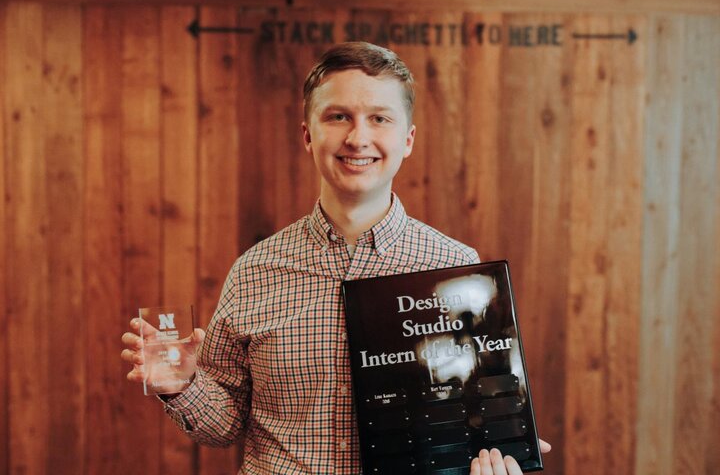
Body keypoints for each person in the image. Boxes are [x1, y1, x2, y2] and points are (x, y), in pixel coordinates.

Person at [121, 41, 550, 474]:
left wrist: (504, 442)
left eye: (379, 118)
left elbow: (476, 413)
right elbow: (225, 425)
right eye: (338, 116)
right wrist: (183, 386)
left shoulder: (458, 269)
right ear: (308, 134)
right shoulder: (253, 271)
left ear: (408, 139)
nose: (358, 137)